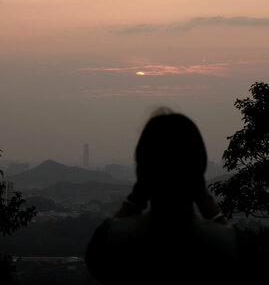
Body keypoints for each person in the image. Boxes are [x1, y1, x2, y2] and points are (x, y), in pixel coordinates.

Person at [85, 109, 256, 284]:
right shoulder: (230, 246)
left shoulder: (113, 242)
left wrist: (136, 198)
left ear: (141, 170)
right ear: (199, 170)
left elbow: (101, 251)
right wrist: (206, 202)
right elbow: (244, 260)